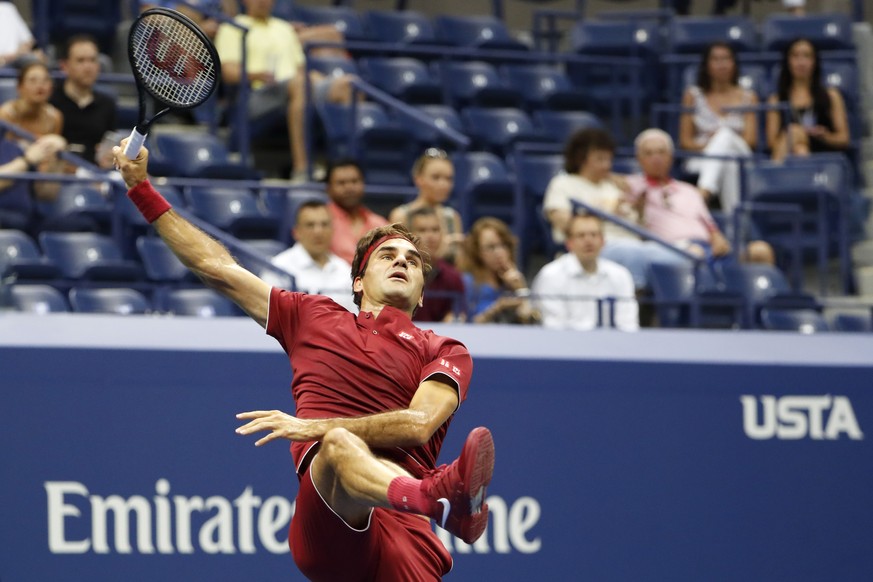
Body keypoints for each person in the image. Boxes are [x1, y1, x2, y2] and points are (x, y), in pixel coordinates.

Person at [113, 139, 495, 579]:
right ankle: (436, 498)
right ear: (357, 281)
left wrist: (309, 426)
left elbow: (418, 424)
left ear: (423, 291)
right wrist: (141, 188)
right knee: (335, 447)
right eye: (387, 255)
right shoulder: (311, 315)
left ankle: (431, 500)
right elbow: (215, 266)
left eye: (412, 261)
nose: (401, 263)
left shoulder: (444, 350)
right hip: (333, 515)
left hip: (407, 535)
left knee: (332, 438)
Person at [213, 0, 357, 181]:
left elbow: (299, 69)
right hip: (255, 94)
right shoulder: (234, 26)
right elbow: (228, 72)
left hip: (293, 87)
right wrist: (257, 75)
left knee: (348, 86)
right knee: (299, 84)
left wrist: (314, 78)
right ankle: (302, 170)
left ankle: (343, 168)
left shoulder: (284, 29)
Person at [543, 127, 686, 289]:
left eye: (609, 159)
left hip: (636, 245)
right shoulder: (564, 183)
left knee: (680, 255)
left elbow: (639, 228)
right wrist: (606, 213)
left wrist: (639, 210)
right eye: (600, 159)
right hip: (596, 246)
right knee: (633, 252)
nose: (607, 165)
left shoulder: (616, 185)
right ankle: (637, 294)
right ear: (581, 159)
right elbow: (563, 222)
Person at [626, 129, 775, 266]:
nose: (656, 158)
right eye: (649, 153)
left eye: (661, 152)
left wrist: (718, 239)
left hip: (708, 249)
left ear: (670, 157)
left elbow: (710, 225)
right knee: (694, 253)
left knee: (761, 251)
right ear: (639, 158)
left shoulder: (689, 190)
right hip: (673, 250)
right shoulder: (630, 185)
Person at [679, 42, 757, 217]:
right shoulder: (692, 95)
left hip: (741, 153)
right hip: (703, 156)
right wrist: (711, 144)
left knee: (725, 135)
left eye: (726, 59)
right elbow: (685, 141)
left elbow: (751, 141)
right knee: (728, 161)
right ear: (706, 65)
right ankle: (735, 225)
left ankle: (704, 192)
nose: (721, 64)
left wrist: (720, 138)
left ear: (734, 63)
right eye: (715, 59)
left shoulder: (749, 96)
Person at [533, 213, 639, 331]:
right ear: (569, 243)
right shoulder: (551, 276)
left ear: (603, 241)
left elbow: (628, 325)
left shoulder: (620, 275)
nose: (588, 241)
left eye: (594, 235)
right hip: (565, 346)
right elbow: (554, 327)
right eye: (581, 235)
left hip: (612, 346)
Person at [264, 199, 357, 312]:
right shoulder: (279, 268)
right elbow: (270, 315)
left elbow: (354, 317)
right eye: (310, 225)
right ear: (296, 232)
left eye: (324, 224)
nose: (318, 231)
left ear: (333, 230)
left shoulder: (345, 270)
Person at [766, 38, 850, 161]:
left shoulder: (831, 95)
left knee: (794, 133)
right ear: (788, 61)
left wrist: (825, 136)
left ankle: (773, 174)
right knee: (799, 148)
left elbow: (844, 139)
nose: (801, 62)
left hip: (823, 151)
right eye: (795, 56)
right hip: (790, 153)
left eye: (807, 56)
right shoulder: (776, 99)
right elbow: (772, 143)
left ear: (815, 61)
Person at [50, 35, 117, 166]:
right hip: (59, 173)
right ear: (64, 66)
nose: (88, 67)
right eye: (80, 61)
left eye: (92, 60)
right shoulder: (51, 100)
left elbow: (108, 143)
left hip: (96, 174)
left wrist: (108, 156)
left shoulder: (107, 103)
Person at [389, 148, 465, 263]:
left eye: (448, 178)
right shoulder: (401, 215)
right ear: (418, 179)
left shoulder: (452, 217)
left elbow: (459, 264)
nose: (443, 184)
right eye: (436, 177)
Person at [460, 216, 540, 324]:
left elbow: (531, 321)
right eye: (491, 247)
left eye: (504, 245)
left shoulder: (513, 280)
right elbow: (466, 325)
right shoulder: (467, 282)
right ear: (477, 251)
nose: (499, 253)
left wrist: (521, 289)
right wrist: (498, 307)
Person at [407, 206, 466, 322]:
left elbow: (460, 316)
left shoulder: (453, 277)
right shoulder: (398, 272)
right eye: (422, 230)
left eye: (435, 230)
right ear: (410, 236)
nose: (430, 236)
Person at [324, 158, 388, 264]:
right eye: (341, 183)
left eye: (354, 181)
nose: (349, 188)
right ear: (328, 189)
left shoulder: (379, 224)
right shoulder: (321, 222)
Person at [0, 133, 67, 230]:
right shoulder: (26, 156)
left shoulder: (14, 147)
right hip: (5, 216)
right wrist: (27, 160)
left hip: (29, 218)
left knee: (84, 222)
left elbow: (46, 195)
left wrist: (57, 160)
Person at [0, 62, 63, 139]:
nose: (40, 86)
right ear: (19, 87)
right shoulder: (6, 114)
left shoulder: (55, 117)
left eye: (45, 80)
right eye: (33, 80)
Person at [0, 1, 41, 68]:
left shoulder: (7, 8)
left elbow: (29, 41)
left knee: (37, 57)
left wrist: (16, 55)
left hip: (15, 61)